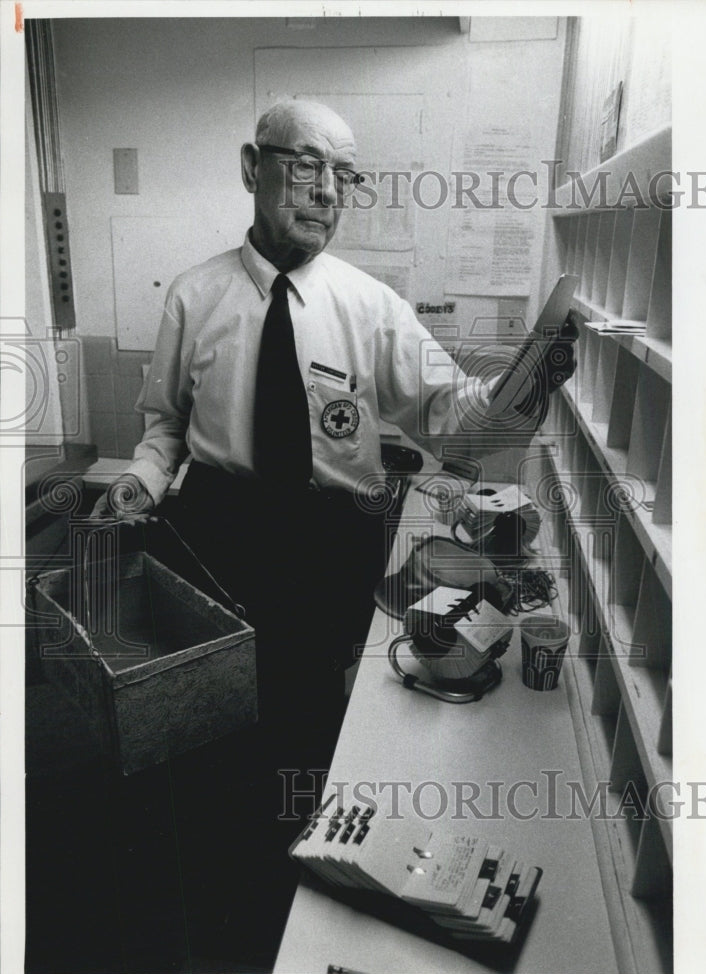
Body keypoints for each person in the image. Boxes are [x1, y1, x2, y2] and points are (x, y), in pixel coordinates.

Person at [94, 97, 575, 779]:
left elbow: (448, 408)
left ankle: (301, 844)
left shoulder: (370, 305)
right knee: (217, 709)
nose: (327, 190)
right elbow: (165, 425)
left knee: (316, 710)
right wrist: (139, 481)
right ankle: (221, 844)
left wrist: (523, 389)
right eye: (307, 165)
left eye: (345, 175)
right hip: (216, 531)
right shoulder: (193, 296)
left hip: (330, 539)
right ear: (251, 168)